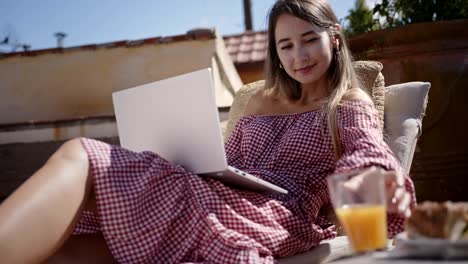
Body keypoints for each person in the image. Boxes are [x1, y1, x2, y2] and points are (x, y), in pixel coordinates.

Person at [0, 0, 415, 263]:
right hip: (215, 193)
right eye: (285, 45)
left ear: (335, 40)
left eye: (309, 40)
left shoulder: (346, 104)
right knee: (62, 247)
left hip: (274, 215)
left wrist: (379, 179)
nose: (298, 55)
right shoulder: (258, 101)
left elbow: (368, 153)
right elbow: (224, 163)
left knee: (83, 155)